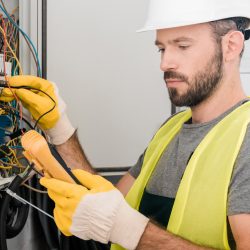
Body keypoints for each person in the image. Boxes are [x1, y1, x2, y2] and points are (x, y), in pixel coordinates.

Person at [1, 0, 250, 249]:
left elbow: (119, 223)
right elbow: (107, 206)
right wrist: (59, 128)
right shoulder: (171, 128)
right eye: (162, 49)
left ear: (231, 46)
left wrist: (130, 230)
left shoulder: (246, 136)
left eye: (182, 46)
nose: (165, 63)